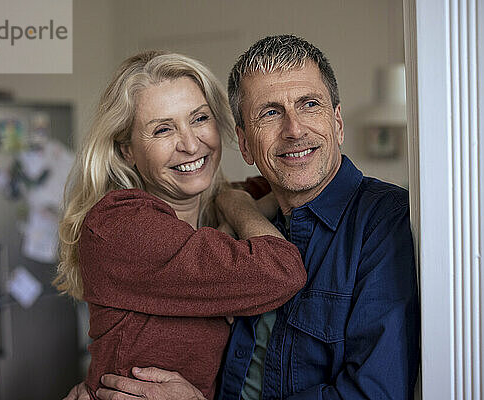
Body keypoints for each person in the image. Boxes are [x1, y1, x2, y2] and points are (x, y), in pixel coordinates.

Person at [87, 35, 420, 400]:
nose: (294, 130)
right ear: (244, 143)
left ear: (338, 122)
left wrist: (235, 202)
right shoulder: (249, 221)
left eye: (309, 104)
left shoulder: (382, 220)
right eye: (271, 113)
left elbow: (374, 394)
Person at [53, 50, 307, 400]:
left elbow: (284, 188)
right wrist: (238, 207)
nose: (190, 144)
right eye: (162, 129)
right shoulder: (121, 225)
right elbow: (280, 270)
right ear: (127, 149)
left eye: (199, 118)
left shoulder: (208, 210)